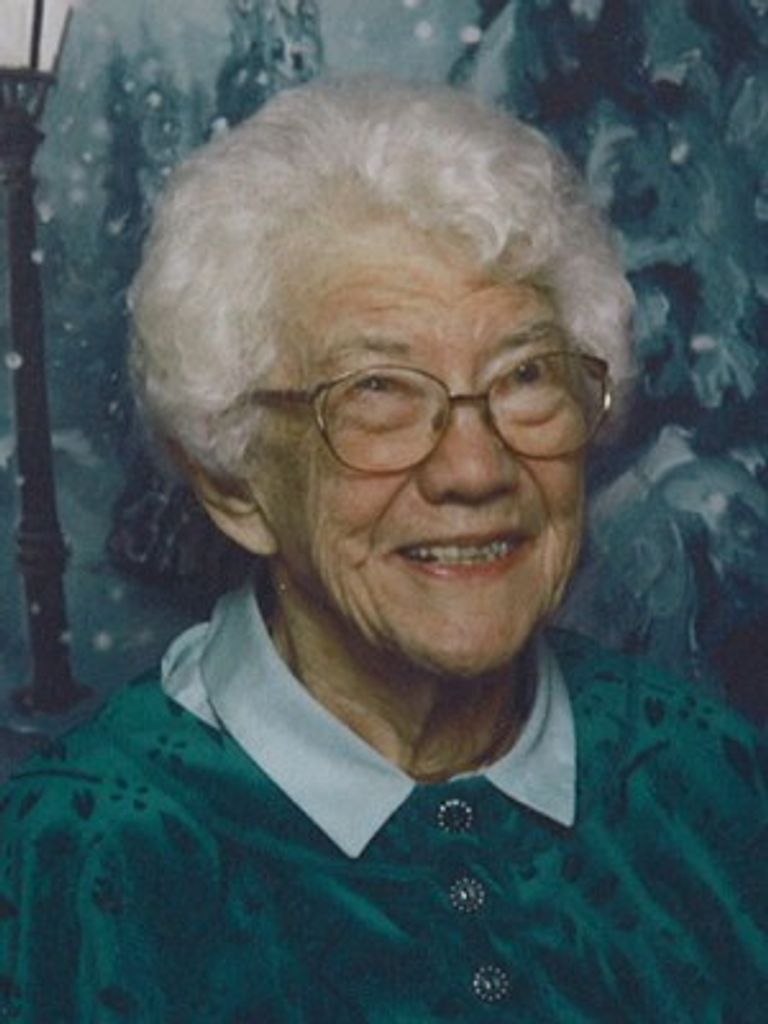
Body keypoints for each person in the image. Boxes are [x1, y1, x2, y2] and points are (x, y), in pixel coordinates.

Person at [1, 78, 766, 1023]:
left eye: (527, 374)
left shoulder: (706, 775)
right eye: (376, 391)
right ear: (235, 483)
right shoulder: (86, 858)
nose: (476, 469)